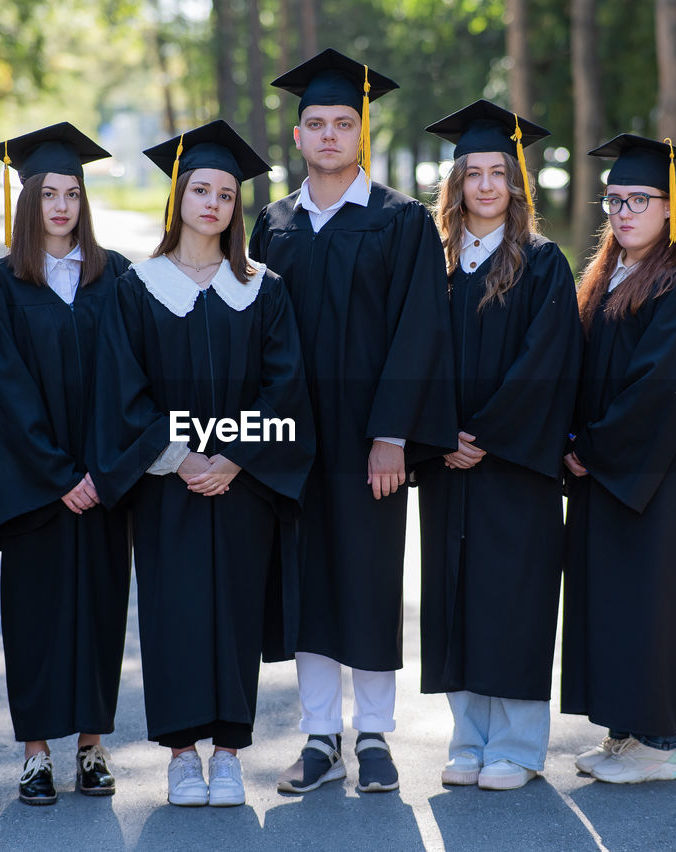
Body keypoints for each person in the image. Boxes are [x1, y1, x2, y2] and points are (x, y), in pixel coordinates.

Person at [250, 48, 458, 795]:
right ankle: (317, 736)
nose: (330, 135)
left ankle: (373, 735)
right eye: (317, 123)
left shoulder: (400, 221)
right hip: (294, 439)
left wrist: (392, 434)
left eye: (344, 123)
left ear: (361, 132)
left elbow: (418, 329)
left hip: (372, 437)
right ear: (298, 135)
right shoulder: (273, 223)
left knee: (369, 579)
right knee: (304, 582)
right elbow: (251, 331)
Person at [89, 120, 315, 807]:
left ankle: (229, 754)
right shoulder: (137, 286)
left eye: (225, 193)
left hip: (239, 484)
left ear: (235, 207)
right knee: (175, 612)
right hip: (169, 483)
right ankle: (183, 756)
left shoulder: (262, 287)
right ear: (179, 198)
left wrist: (237, 458)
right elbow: (121, 388)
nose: (213, 203)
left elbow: (285, 385)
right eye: (201, 190)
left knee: (236, 614)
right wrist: (181, 455)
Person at [417, 100, 582, 791]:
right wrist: (437, 432)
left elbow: (548, 361)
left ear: (517, 185)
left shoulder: (543, 264)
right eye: (473, 173)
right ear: (454, 185)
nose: (486, 186)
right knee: (456, 594)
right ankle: (468, 739)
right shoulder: (434, 261)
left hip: (514, 465)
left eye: (499, 173)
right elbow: (413, 353)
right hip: (450, 462)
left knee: (512, 596)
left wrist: (480, 435)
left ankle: (515, 745)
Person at [0, 122, 132, 805]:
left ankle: (92, 749)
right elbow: (2, 391)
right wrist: (57, 474)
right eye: (49, 194)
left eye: (73, 193)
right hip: (36, 488)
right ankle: (37, 753)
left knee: (101, 608)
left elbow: (130, 381)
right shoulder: (2, 287)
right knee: (35, 615)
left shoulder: (116, 275)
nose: (62, 207)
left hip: (103, 483)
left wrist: (101, 471)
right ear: (29, 200)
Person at [561, 134, 676, 784]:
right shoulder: (606, 280)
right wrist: (569, 440)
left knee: (652, 605)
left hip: (660, 486)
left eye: (640, 199)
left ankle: (659, 744)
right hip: (610, 476)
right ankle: (623, 735)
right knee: (613, 603)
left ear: (670, 208)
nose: (623, 211)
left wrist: (590, 446)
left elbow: (659, 390)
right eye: (614, 199)